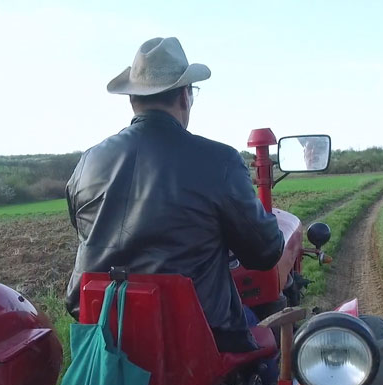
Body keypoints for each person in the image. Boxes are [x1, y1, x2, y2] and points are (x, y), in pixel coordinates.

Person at [65, 37, 284, 353]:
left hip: (108, 340)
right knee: (270, 350)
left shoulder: (87, 163)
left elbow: (85, 229)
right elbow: (264, 253)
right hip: (202, 345)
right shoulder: (218, 161)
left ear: (132, 100)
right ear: (185, 96)